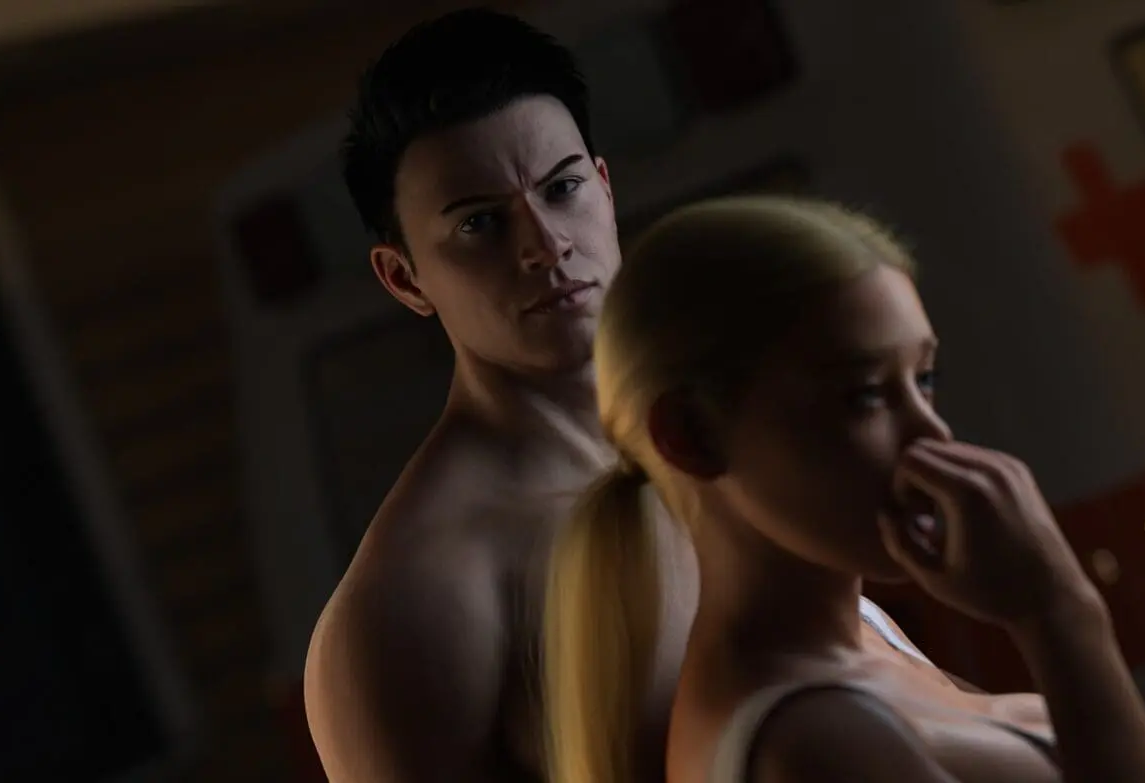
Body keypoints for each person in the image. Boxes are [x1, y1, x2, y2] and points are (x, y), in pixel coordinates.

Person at [304, 9, 955, 783]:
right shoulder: (420, 595)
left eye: (562, 188)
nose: (545, 245)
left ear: (605, 190)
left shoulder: (729, 443)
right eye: (480, 224)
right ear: (405, 277)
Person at [542, 195, 1145, 783]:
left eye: (924, 379)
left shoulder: (864, 629)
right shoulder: (813, 742)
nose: (932, 434)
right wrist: (1060, 614)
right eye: (867, 395)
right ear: (692, 436)